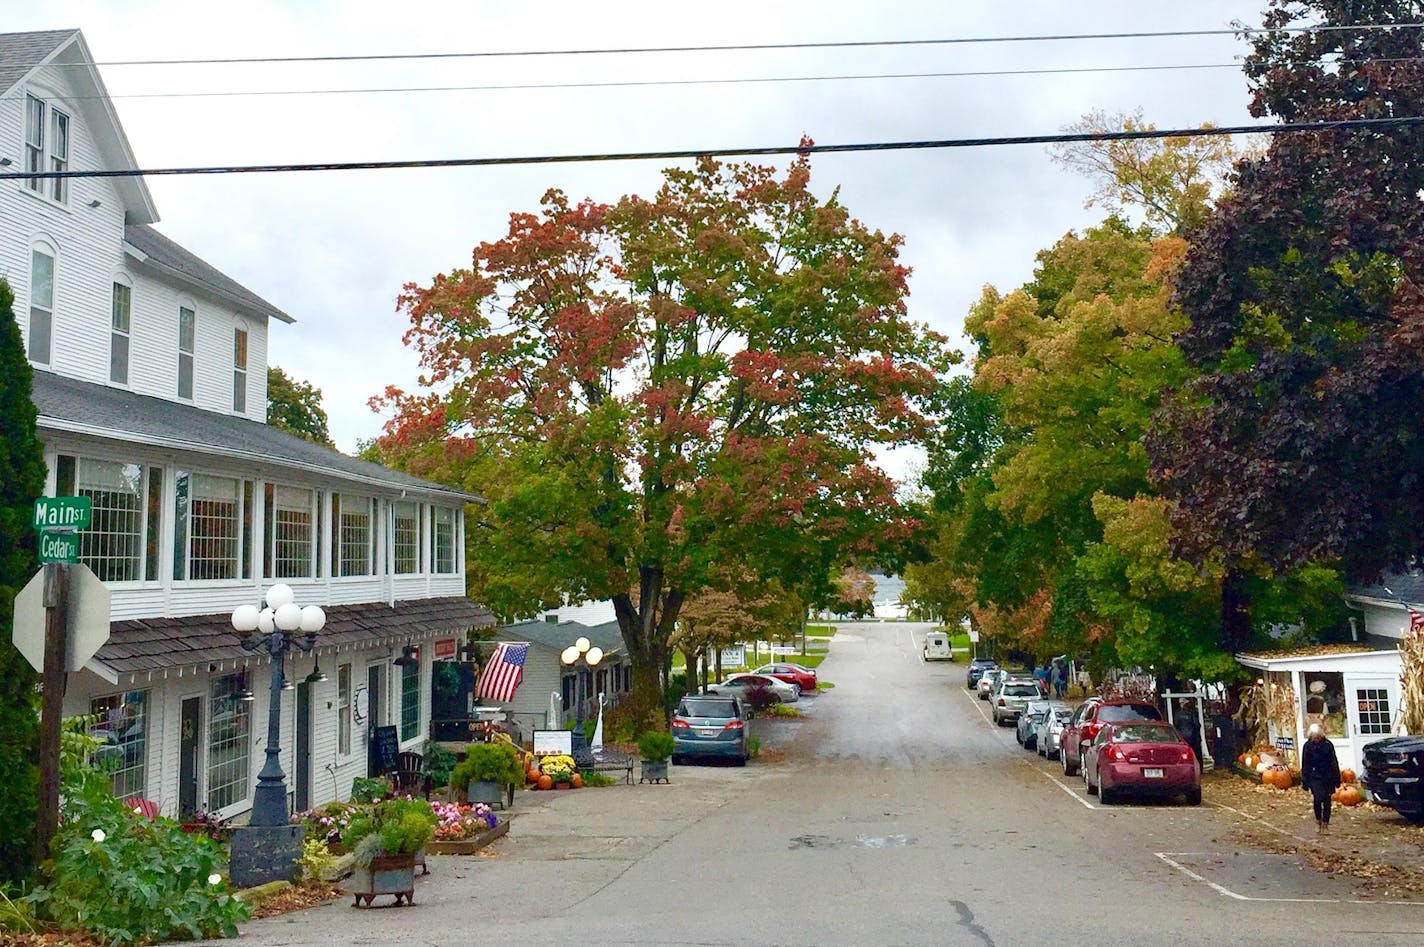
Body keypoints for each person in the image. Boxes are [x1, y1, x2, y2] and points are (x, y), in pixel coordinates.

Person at [1301, 723, 1342, 835]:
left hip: (1327, 775)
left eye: (1318, 736)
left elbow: (1334, 762)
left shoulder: (1328, 745)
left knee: (1327, 800)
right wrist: (1305, 780)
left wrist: (1337, 778)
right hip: (1314, 776)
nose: (1317, 739)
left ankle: (1325, 823)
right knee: (1318, 798)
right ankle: (1318, 820)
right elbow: (1305, 763)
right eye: (1315, 737)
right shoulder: (1307, 746)